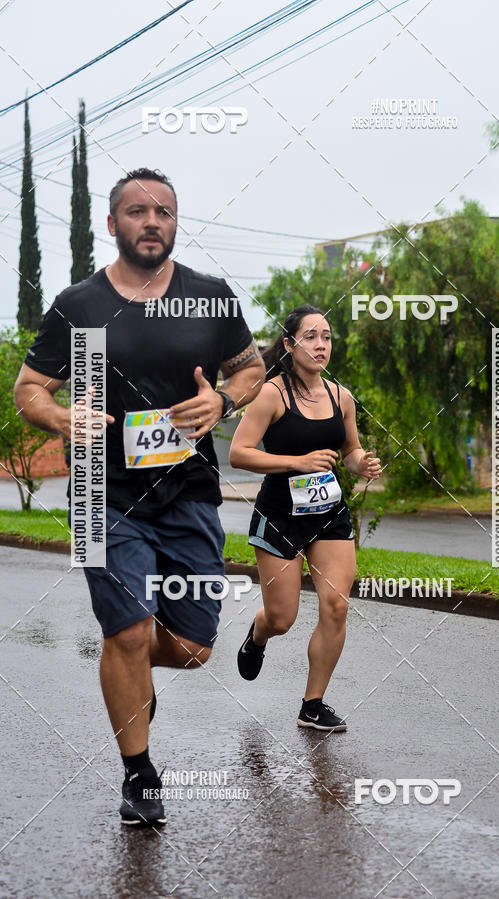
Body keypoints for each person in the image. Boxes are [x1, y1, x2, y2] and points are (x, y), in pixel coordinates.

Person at [13, 168, 265, 824]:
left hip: (190, 491)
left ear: (175, 223)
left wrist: (223, 399)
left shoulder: (209, 297)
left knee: (192, 646)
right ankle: (139, 772)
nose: (151, 221)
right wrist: (59, 416)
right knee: (127, 631)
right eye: (137, 211)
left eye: (163, 212)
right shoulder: (79, 305)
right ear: (112, 223)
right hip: (101, 489)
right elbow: (28, 388)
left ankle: (126, 668)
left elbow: (252, 369)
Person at [229, 304, 381, 731]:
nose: (320, 345)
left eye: (326, 337)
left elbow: (349, 450)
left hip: (328, 513)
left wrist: (361, 463)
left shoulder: (340, 397)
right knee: (283, 618)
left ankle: (312, 705)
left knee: (336, 606)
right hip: (280, 515)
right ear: (290, 344)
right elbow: (238, 453)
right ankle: (258, 633)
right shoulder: (271, 394)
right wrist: (297, 462)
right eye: (311, 336)